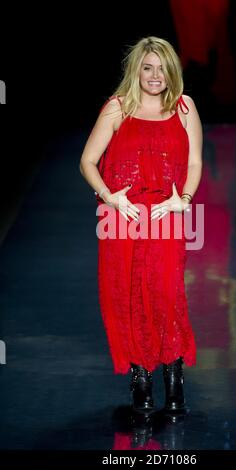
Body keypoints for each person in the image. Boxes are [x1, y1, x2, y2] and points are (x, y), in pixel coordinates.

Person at [79, 36, 203, 413]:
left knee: (166, 294)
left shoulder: (184, 107)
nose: (155, 75)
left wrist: (182, 201)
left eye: (162, 68)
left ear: (172, 71)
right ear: (136, 71)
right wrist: (108, 195)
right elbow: (87, 161)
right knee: (127, 296)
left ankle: (173, 373)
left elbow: (195, 162)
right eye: (147, 68)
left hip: (166, 215)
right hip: (123, 216)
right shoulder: (117, 108)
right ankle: (141, 379)